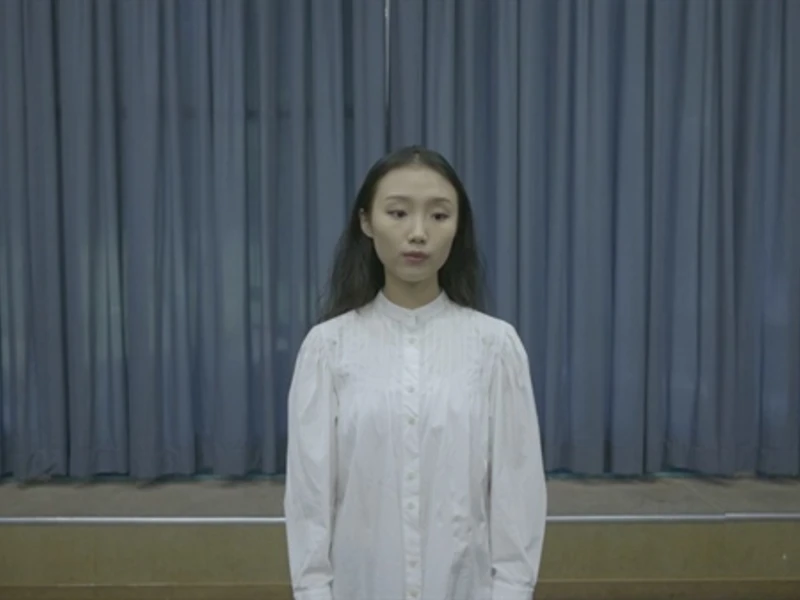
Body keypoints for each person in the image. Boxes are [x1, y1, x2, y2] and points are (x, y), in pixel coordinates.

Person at [283, 145, 547, 600]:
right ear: (367, 221)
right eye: (398, 213)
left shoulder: (495, 347)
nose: (418, 233)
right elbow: (309, 500)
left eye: (439, 216)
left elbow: (517, 493)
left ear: (458, 226)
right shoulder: (328, 349)